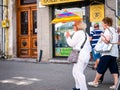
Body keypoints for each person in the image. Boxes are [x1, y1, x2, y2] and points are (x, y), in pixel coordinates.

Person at [88, 17, 119, 89]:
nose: (102, 25)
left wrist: (102, 37)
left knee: (101, 67)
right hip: (114, 53)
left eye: (102, 23)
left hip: (107, 52)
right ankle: (116, 84)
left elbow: (107, 41)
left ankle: (95, 82)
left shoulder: (107, 30)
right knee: (114, 68)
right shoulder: (114, 30)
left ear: (106, 23)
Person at [65, 20, 91, 90]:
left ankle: (83, 88)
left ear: (77, 26)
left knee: (79, 73)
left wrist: (67, 37)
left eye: (74, 25)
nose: (73, 27)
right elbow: (89, 47)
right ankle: (78, 87)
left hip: (80, 55)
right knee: (75, 72)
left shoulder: (77, 33)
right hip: (85, 55)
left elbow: (71, 44)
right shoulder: (86, 34)